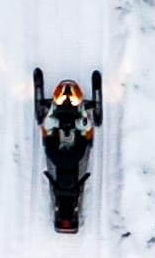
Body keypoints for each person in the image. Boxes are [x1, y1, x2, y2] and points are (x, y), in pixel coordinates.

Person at [33, 68, 103, 230]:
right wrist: (83, 134)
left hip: (63, 143)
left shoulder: (61, 155)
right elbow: (83, 141)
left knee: (52, 125)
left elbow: (49, 140)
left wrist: (51, 134)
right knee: (82, 127)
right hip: (70, 143)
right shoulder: (72, 156)